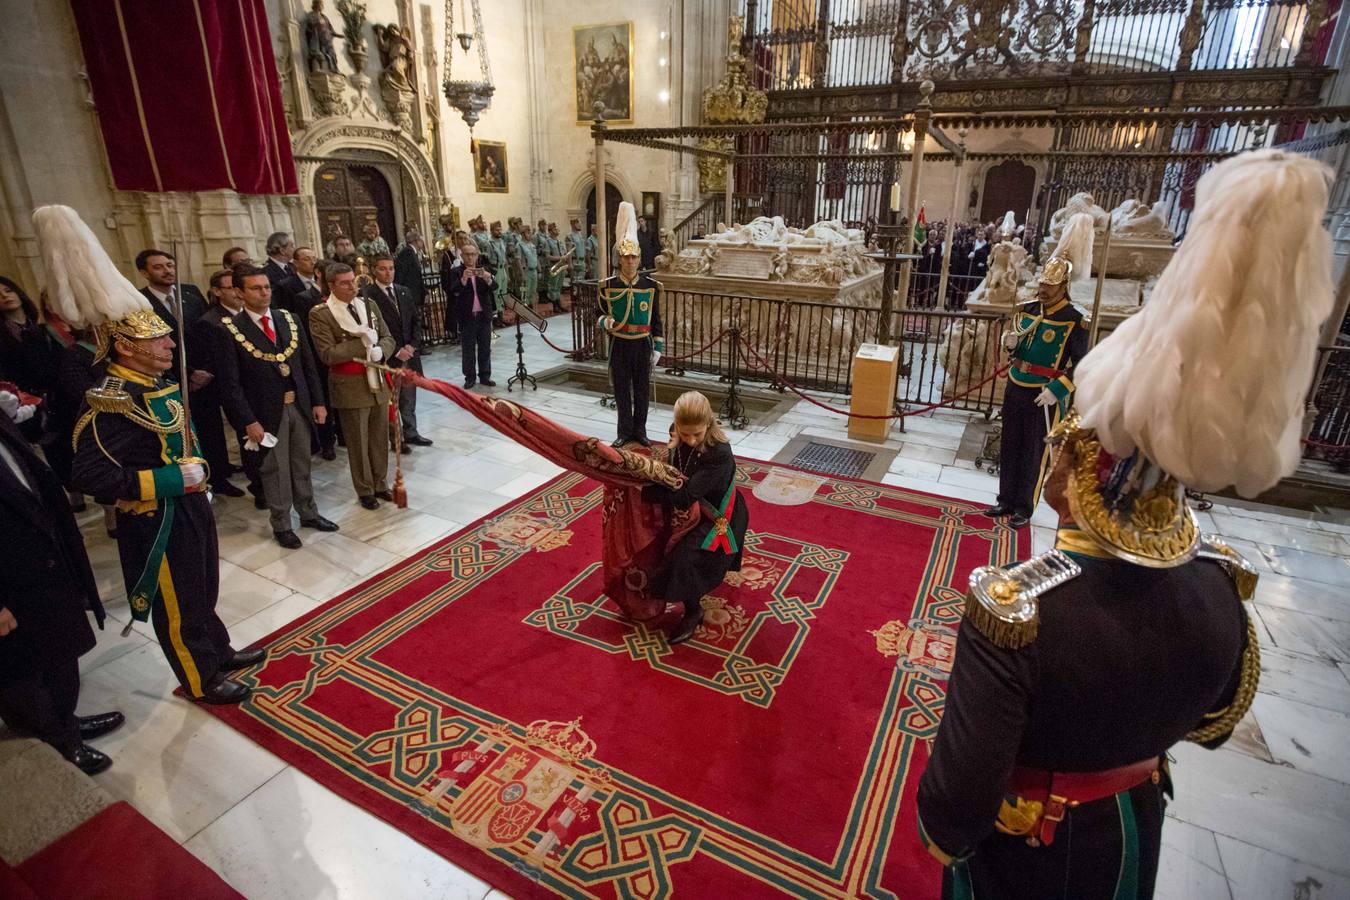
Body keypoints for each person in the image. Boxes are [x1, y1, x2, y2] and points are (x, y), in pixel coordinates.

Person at [916, 149, 1333, 900]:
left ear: (1076, 470)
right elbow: (1210, 723)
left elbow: (951, 811)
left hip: (1032, 855)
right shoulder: (1220, 588)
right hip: (1135, 827)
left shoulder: (1016, 614)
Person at [40, 209, 258, 705]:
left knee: (203, 584)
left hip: (191, 502)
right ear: (124, 346)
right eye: (156, 339)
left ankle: (217, 650)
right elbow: (90, 473)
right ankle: (200, 679)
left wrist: (195, 478)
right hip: (156, 516)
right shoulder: (112, 399)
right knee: (177, 600)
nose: (167, 343)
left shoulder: (156, 383)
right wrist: (169, 481)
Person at [0, 408, 122, 775]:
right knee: (22, 671)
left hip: (38, 563)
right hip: (8, 582)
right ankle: (58, 740)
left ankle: (64, 719)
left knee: (58, 651)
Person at [982, 213, 1093, 529]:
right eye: (1043, 283)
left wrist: (1057, 390)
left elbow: (1081, 365)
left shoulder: (1075, 320)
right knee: (1010, 444)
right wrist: (1011, 343)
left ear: (1063, 287)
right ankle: (1005, 500)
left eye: (1050, 286)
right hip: (1019, 381)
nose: (1043, 290)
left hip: (1045, 392)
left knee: (1033, 452)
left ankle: (1023, 507)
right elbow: (1016, 348)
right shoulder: (1027, 310)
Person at [217, 264, 336, 548]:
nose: (264, 293)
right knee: (275, 469)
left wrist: (318, 402)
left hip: (298, 405)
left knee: (301, 462)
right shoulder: (231, 329)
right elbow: (230, 385)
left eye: (267, 287)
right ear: (239, 292)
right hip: (264, 412)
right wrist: (248, 421)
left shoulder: (288, 318)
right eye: (256, 288)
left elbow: (308, 366)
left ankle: (308, 512)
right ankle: (282, 523)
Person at [640, 391, 748, 645]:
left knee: (685, 558)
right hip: (692, 508)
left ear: (708, 424)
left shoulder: (719, 453)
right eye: (684, 432)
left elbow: (686, 495)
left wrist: (643, 492)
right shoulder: (677, 433)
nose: (689, 439)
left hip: (719, 517)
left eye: (696, 434)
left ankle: (692, 610)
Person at [308, 262, 395, 509]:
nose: (352, 287)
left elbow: (388, 336)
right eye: (345, 283)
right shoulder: (321, 313)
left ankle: (381, 483)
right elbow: (328, 353)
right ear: (331, 285)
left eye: (353, 281)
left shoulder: (369, 304)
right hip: (351, 384)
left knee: (379, 437)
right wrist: (363, 344)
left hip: (377, 378)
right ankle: (365, 488)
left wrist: (381, 349)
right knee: (358, 440)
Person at [599, 202, 664, 447]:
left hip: (642, 344)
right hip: (620, 343)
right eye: (626, 257)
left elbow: (656, 320)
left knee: (642, 389)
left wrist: (658, 347)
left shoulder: (650, 286)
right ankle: (624, 431)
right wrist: (606, 321)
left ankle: (640, 430)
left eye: (634, 257)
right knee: (622, 390)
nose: (630, 261)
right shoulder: (608, 285)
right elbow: (600, 313)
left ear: (639, 259)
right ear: (620, 259)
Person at [183, 269, 246, 498]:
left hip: (247, 384)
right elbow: (210, 356)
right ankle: (219, 477)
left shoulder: (247, 315)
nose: (237, 293)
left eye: (239, 287)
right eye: (230, 288)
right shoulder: (209, 321)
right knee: (224, 431)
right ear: (217, 291)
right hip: (220, 385)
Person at [363, 254, 431, 449]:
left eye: (391, 268)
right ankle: (396, 438)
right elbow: (374, 330)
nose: (388, 272)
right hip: (389, 357)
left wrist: (412, 346)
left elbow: (416, 322)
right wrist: (395, 351)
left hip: (410, 354)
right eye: (383, 268)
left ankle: (411, 432)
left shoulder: (403, 291)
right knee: (392, 399)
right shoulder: (368, 296)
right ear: (374, 270)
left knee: (409, 396)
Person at [135, 248, 208, 378]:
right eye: (158, 267)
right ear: (145, 273)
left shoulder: (191, 293)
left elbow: (207, 332)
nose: (167, 271)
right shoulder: (140, 302)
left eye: (170, 265)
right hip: (171, 374)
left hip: (206, 372)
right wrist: (188, 373)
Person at [445, 241, 497, 389]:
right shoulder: (456, 271)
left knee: (485, 347)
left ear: (477, 255)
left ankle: (485, 375)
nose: (470, 257)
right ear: (462, 255)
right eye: (467, 254)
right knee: (468, 349)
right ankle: (470, 377)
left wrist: (488, 278)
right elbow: (453, 291)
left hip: (483, 315)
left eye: (473, 254)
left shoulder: (483, 269)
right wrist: (463, 279)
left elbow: (494, 287)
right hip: (467, 316)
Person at [0, 276, 57, 396]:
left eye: (8, 291)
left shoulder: (44, 330)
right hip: (27, 402)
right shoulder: (3, 338)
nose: (5, 296)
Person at [275, 245, 321, 318]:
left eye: (314, 259)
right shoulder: (285, 286)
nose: (313, 263)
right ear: (296, 263)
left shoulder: (321, 282)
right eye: (307, 259)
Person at [393, 229, 427, 311]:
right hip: (410, 295)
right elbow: (401, 274)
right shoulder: (407, 253)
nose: (423, 243)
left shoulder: (412, 253)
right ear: (416, 240)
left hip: (413, 295)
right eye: (421, 240)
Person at [485, 221, 509, 321]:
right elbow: (487, 260)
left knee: (503, 292)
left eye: (500, 229)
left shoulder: (502, 242)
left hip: (502, 269)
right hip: (495, 270)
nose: (499, 232)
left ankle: (501, 314)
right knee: (496, 293)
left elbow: (505, 258)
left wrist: (507, 274)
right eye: (496, 230)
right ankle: (496, 318)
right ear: (492, 231)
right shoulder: (489, 243)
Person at [517, 225, 539, 309]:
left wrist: (539, 269)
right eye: (528, 233)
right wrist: (522, 274)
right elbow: (518, 260)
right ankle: (524, 309)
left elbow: (535, 257)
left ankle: (530, 307)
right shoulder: (519, 245)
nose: (530, 235)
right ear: (523, 234)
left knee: (532, 291)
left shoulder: (531, 244)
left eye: (530, 232)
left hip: (533, 271)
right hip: (525, 271)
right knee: (524, 291)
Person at [545, 222, 565, 307]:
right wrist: (559, 258)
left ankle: (558, 303)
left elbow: (563, 252)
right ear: (550, 231)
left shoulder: (559, 241)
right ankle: (555, 305)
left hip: (561, 266)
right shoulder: (548, 242)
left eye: (556, 228)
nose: (556, 230)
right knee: (553, 286)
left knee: (559, 285)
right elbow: (548, 256)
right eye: (554, 229)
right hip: (554, 266)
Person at [567, 217, 587, 288]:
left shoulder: (580, 235)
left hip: (582, 261)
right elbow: (569, 251)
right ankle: (575, 297)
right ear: (573, 224)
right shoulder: (570, 236)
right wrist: (570, 264)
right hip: (575, 261)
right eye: (578, 223)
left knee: (582, 283)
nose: (580, 224)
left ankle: (579, 297)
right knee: (575, 284)